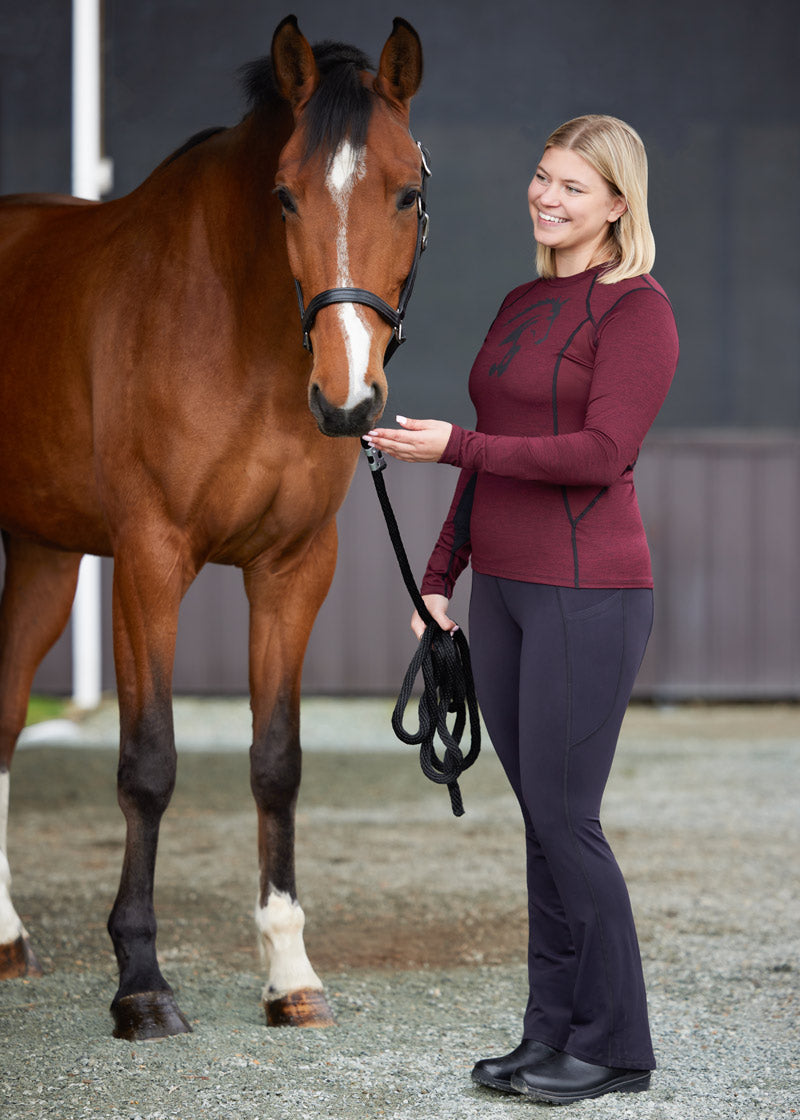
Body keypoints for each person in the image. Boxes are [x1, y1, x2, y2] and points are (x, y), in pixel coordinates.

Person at [366, 115, 679, 1104]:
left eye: (572, 188)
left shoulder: (636, 312)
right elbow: (493, 445)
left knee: (566, 819)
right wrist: (438, 572)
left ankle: (616, 1046)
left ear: (617, 204)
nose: (546, 198)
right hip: (499, 592)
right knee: (540, 824)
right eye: (541, 179)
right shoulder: (520, 300)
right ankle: (550, 1035)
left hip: (587, 593)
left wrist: (454, 447)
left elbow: (597, 454)